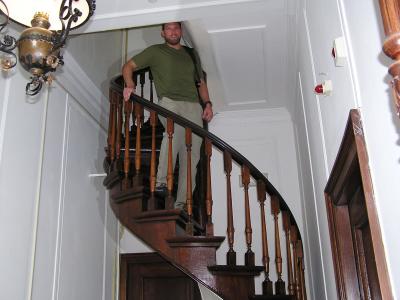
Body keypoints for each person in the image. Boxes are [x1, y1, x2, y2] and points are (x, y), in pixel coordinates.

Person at [122, 22, 213, 210]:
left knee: (193, 154)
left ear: (180, 31)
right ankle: (161, 181)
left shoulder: (191, 53)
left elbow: (200, 82)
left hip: (194, 106)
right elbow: (128, 66)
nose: (173, 32)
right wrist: (130, 84)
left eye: (176, 28)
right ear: (163, 33)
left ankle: (182, 205)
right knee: (174, 134)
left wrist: (208, 104)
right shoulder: (155, 51)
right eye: (169, 29)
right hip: (169, 102)